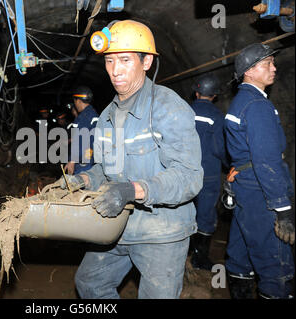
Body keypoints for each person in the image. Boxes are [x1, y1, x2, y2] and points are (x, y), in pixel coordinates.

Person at [59, 20, 203, 299]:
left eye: (125, 60)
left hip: (162, 231)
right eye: (110, 61)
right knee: (89, 283)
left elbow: (189, 176)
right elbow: (104, 168)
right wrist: (83, 179)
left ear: (146, 61)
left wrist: (132, 190)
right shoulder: (107, 117)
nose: (115, 70)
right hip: (118, 226)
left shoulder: (167, 107)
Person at [224, 43, 294, 299]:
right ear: (249, 71)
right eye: (267, 64)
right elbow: (266, 160)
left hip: (246, 187)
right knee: (277, 267)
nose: (274, 68)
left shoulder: (239, 102)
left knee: (242, 254)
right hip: (262, 192)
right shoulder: (257, 105)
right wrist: (282, 207)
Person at [189, 73, 228, 270]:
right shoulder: (217, 116)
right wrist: (230, 164)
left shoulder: (183, 111)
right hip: (208, 173)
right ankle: (199, 258)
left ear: (196, 93)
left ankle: (183, 251)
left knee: (185, 209)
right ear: (214, 95)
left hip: (185, 171)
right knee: (205, 214)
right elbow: (219, 148)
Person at [63, 86, 99, 175]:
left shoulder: (83, 117)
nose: (75, 105)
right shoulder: (93, 114)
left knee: (80, 181)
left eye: (75, 102)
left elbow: (81, 140)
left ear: (78, 101)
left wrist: (72, 160)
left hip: (83, 157)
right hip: (90, 154)